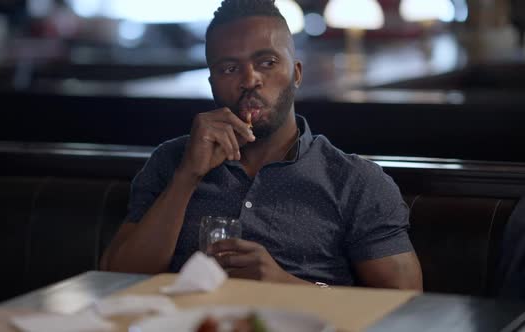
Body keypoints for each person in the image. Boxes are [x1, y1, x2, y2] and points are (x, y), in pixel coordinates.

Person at [101, 0, 422, 290]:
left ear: (296, 74)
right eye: (229, 68)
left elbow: (405, 307)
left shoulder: (354, 181)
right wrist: (188, 176)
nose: (249, 79)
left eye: (266, 62)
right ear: (212, 83)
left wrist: (285, 285)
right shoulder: (171, 161)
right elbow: (117, 278)